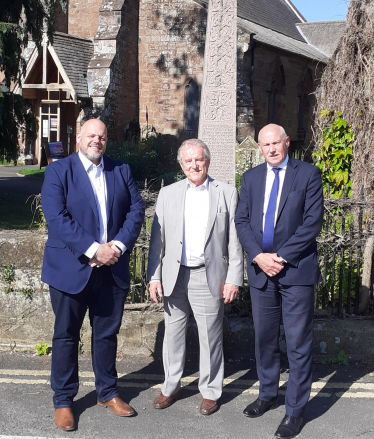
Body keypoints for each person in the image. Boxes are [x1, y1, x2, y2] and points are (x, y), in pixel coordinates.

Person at [41, 119, 144, 431]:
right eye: (91, 136)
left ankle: (107, 392)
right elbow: (57, 217)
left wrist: (116, 246)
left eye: (101, 136)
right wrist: (92, 249)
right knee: (66, 336)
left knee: (106, 335)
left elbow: (136, 211)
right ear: (79, 139)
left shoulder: (120, 170)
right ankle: (63, 400)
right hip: (71, 268)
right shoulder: (59, 171)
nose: (96, 141)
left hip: (111, 269)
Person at [235, 124, 323, 438]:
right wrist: (259, 256)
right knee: (265, 340)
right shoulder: (250, 178)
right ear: (259, 147)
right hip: (261, 271)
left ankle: (295, 411)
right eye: (266, 144)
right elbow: (241, 221)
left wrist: (281, 257)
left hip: (295, 270)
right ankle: (268, 394)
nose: (272, 149)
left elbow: (312, 223)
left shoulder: (308, 174)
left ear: (286, 142)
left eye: (276, 143)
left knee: (298, 345)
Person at [147, 139, 243, 416]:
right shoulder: (168, 194)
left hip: (208, 275)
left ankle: (211, 391)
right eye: (188, 161)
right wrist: (155, 277)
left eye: (199, 160)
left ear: (207, 161)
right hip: (174, 275)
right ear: (181, 165)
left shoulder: (226, 192)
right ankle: (171, 386)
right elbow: (158, 242)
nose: (194, 165)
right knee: (173, 335)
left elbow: (234, 242)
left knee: (210, 336)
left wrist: (234, 278)